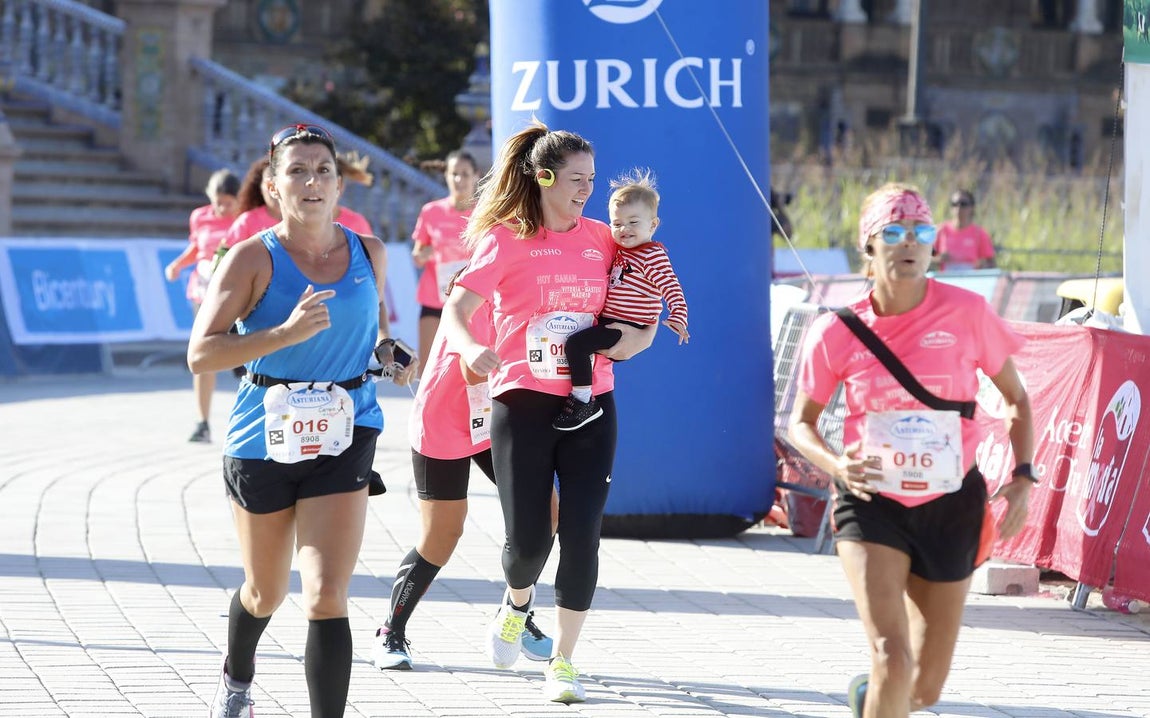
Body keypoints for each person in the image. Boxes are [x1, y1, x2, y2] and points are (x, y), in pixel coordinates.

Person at [188, 123, 417, 718]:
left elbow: (371, 333)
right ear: (272, 184)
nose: (311, 181)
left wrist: (388, 354)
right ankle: (237, 679)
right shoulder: (250, 259)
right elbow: (201, 353)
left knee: (325, 594)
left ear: (340, 185)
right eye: (297, 171)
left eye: (322, 170)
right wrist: (283, 335)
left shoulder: (369, 253)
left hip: (345, 430)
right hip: (262, 437)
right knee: (266, 591)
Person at [788, 183, 1035, 718]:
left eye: (922, 233)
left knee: (923, 688)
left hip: (951, 505)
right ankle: (880, 686)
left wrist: (1023, 476)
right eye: (894, 233)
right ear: (869, 246)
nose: (910, 244)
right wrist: (837, 466)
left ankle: (870, 700)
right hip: (870, 499)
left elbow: (1017, 399)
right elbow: (800, 424)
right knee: (891, 659)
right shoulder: (838, 330)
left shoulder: (968, 313)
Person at [440, 120, 655, 704]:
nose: (586, 189)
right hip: (522, 401)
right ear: (543, 177)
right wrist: (468, 346)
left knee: (582, 533)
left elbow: (648, 300)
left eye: (592, 178)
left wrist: (637, 340)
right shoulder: (506, 240)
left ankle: (562, 660)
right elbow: (456, 308)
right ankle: (515, 604)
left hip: (591, 403)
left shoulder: (604, 239)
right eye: (576, 179)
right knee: (530, 540)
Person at [371, 290, 558, 671]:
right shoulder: (478, 287)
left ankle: (516, 613)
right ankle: (392, 630)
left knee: (546, 511)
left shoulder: (539, 279)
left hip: (495, 419)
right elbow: (475, 369)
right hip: (444, 420)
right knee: (443, 535)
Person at [553, 168, 688, 431]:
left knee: (576, 346)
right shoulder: (622, 251)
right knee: (578, 343)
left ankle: (583, 401)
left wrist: (678, 315)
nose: (624, 229)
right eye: (617, 223)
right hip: (609, 321)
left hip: (626, 327)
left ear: (653, 225)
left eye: (633, 222)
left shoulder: (652, 255)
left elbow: (671, 287)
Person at [164, 169, 241, 443]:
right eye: (218, 201)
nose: (222, 208)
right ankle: (202, 421)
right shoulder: (199, 216)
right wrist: (177, 265)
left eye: (228, 203)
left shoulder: (245, 219)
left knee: (244, 361)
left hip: (238, 296)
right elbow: (196, 248)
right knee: (204, 356)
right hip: (203, 293)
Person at [411, 151, 479, 369]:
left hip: (472, 301)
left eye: (465, 174)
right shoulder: (431, 211)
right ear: (446, 176)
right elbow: (417, 257)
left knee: (468, 369)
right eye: (454, 174)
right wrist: (424, 254)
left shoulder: (484, 214)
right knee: (427, 367)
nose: (459, 180)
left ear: (476, 176)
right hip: (435, 298)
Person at [934, 189, 995, 271]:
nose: (959, 208)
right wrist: (938, 259)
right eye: (955, 204)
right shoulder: (941, 230)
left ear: (972, 207)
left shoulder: (979, 233)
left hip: (971, 280)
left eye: (963, 204)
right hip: (945, 279)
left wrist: (981, 266)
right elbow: (923, 259)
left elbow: (991, 264)